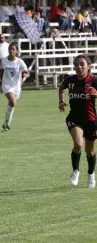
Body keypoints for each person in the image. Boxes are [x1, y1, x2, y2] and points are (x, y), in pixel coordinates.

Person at [58, 54, 97, 188]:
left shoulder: (94, 80)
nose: (78, 67)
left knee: (90, 151)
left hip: (91, 120)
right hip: (74, 119)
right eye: (76, 64)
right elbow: (61, 87)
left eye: (81, 64)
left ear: (88, 66)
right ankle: (75, 171)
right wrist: (61, 101)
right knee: (78, 144)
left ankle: (91, 175)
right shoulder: (70, 80)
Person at [0, 42, 29, 130]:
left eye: (13, 49)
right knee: (13, 101)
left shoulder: (19, 61)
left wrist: (26, 75)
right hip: (6, 85)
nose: (11, 51)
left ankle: (6, 123)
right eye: (10, 49)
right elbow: (0, 70)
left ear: (16, 51)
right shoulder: (3, 60)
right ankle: (7, 124)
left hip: (16, 86)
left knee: (12, 104)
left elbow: (26, 71)